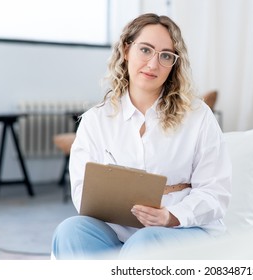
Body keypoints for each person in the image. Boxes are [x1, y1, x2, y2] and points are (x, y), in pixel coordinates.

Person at [52, 13, 232, 259]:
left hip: (185, 230)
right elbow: (82, 189)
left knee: (145, 241)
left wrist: (170, 216)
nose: (153, 64)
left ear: (174, 65)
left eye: (166, 56)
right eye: (145, 50)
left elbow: (215, 192)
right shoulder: (95, 120)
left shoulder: (198, 116)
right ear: (126, 50)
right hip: (116, 233)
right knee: (70, 231)